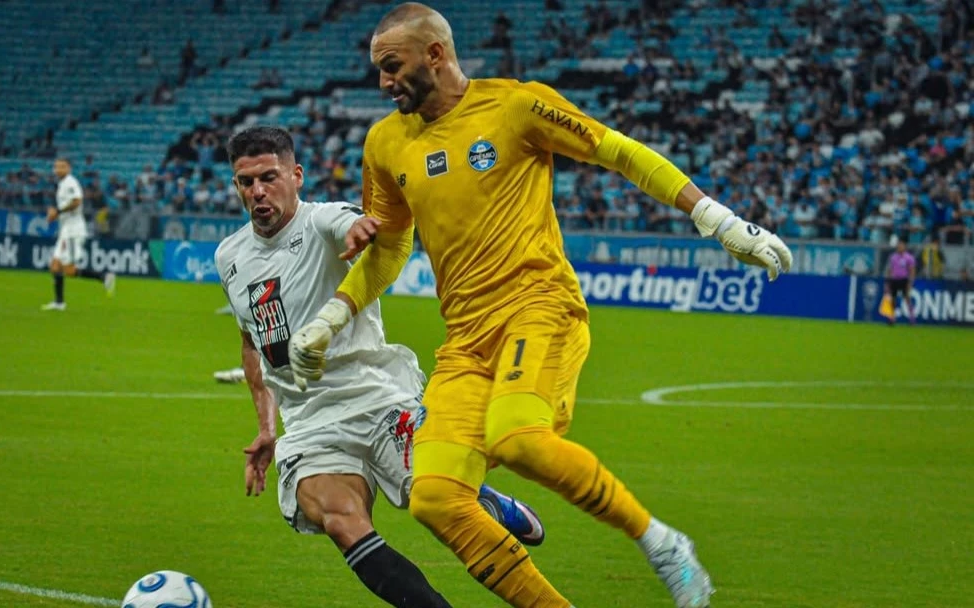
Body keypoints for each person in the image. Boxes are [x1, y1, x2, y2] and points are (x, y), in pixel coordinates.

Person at [288, 4, 794, 608]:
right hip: (466, 341)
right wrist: (332, 316)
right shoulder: (385, 143)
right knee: (434, 496)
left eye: (392, 67)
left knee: (517, 439)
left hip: (539, 308)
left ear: (436, 55)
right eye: (378, 70)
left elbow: (619, 151)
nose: (383, 83)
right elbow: (391, 247)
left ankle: (661, 542)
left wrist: (716, 218)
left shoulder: (516, 106)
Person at [214, 126, 546, 608]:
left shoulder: (322, 220)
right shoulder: (229, 256)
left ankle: (489, 502)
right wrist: (267, 426)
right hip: (310, 424)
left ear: (297, 175)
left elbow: (352, 223)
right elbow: (252, 341)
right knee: (339, 520)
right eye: (245, 182)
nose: (258, 192)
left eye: (269, 177)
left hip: (376, 395)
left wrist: (361, 230)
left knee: (443, 509)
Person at [41, 159, 115, 311]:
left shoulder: (71, 182)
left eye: (62, 167)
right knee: (55, 266)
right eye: (56, 167)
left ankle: (104, 276)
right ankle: (59, 303)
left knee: (69, 270)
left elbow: (77, 201)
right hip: (65, 231)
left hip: (74, 232)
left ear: (69, 168)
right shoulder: (62, 184)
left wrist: (58, 212)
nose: (58, 169)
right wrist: (54, 212)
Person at [884, 238, 917, 324]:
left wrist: (911, 281)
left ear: (905, 246)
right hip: (894, 280)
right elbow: (890, 269)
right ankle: (892, 318)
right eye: (898, 245)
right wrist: (888, 281)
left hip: (904, 280)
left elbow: (912, 270)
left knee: (907, 298)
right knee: (893, 299)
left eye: (901, 245)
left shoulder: (909, 258)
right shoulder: (893, 257)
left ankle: (912, 317)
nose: (899, 247)